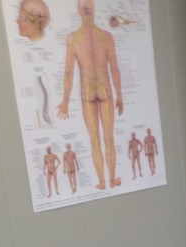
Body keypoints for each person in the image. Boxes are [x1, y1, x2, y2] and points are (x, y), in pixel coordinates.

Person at [57, 0, 123, 190]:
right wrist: (65, 101)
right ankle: (107, 180)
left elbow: (114, 68)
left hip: (94, 91)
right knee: (102, 138)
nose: (86, 7)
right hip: (100, 91)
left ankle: (106, 180)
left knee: (101, 138)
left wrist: (65, 101)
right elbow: (69, 71)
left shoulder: (83, 38)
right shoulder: (96, 37)